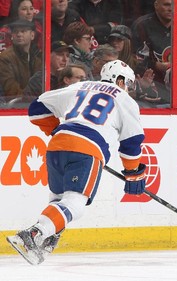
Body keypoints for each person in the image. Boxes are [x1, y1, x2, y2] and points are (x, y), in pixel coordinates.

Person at [6, 60, 147, 265]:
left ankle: (45, 240)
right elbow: (131, 142)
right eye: (128, 84)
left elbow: (36, 109)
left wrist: (55, 130)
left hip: (57, 146)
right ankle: (34, 234)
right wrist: (133, 172)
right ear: (120, 79)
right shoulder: (124, 99)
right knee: (75, 204)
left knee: (59, 199)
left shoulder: (79, 86)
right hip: (87, 149)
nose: (128, 89)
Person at [0, 19, 42, 102]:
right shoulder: (5, 57)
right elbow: (11, 90)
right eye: (16, 32)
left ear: (32, 35)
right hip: (18, 105)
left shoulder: (38, 55)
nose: (19, 34)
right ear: (12, 36)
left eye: (23, 31)